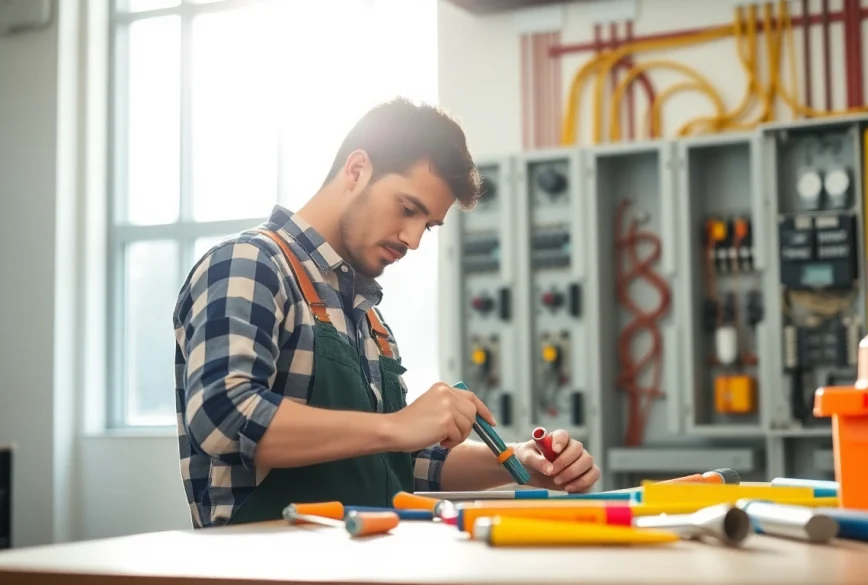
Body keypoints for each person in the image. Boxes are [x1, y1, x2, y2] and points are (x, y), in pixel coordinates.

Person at [172, 97, 601, 528]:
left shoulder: (369, 319)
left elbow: (391, 461)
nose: (413, 239)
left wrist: (517, 461)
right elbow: (222, 416)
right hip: (264, 572)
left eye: (427, 225)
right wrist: (399, 425)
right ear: (357, 171)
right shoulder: (250, 265)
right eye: (408, 209)